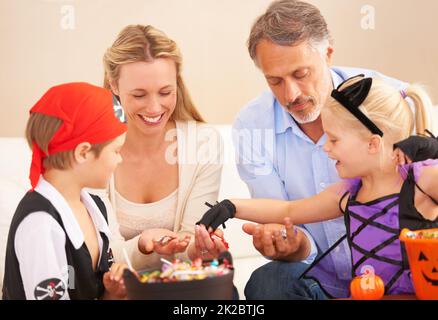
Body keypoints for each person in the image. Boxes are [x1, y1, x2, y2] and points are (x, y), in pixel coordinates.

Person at [232, 0, 413, 299]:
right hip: (318, 279)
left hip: (395, 275)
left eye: (301, 74)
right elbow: (285, 215)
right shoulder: (252, 125)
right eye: (275, 81)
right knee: (269, 282)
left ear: (328, 53)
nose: (291, 95)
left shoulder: (391, 102)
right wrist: (294, 245)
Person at [198, 75, 438, 298]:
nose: (326, 147)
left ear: (373, 144)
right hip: (365, 294)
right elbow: (289, 211)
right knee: (268, 281)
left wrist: (434, 148)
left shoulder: (421, 181)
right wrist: (231, 206)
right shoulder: (349, 193)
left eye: (334, 139)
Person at [100, 24, 226, 271]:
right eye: (139, 95)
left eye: (165, 92)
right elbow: (99, 254)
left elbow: (192, 240)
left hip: (182, 287)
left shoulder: (203, 144)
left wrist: (201, 247)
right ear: (114, 85)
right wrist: (143, 246)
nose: (155, 108)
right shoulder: (94, 151)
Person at [2, 82, 128, 300]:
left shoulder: (94, 209)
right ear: (83, 153)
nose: (120, 159)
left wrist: (113, 292)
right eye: (116, 151)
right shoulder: (41, 223)